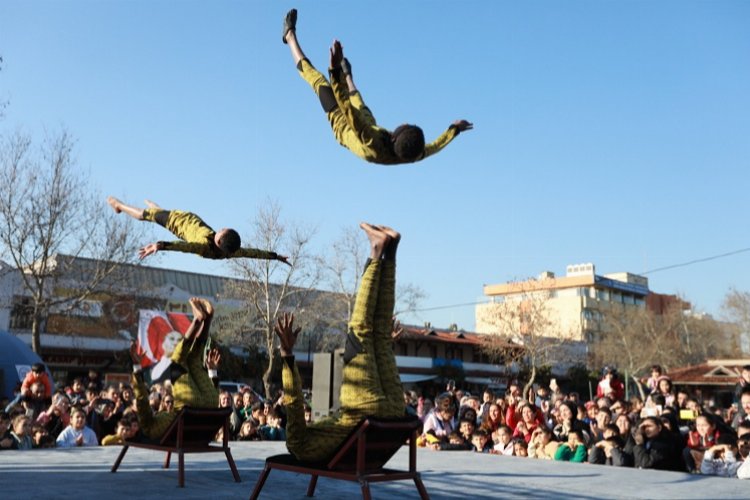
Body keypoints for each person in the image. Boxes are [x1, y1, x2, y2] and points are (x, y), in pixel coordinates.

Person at [274, 223, 407, 462]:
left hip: (396, 412)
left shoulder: (329, 443)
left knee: (380, 338)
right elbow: (294, 403)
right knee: (361, 330)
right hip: (363, 411)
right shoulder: (299, 446)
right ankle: (377, 250)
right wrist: (286, 354)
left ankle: (391, 251)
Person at [282, 9, 472, 166]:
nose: (404, 121)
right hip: (368, 123)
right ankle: (349, 76)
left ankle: (289, 36)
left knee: (319, 81)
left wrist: (334, 70)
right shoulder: (411, 153)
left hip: (345, 124)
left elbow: (347, 110)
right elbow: (433, 148)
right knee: (358, 100)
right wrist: (453, 130)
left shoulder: (372, 141)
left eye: (405, 125)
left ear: (394, 137)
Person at [130, 297, 219, 440]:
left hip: (211, 403)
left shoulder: (169, 427)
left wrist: (213, 372)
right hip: (190, 403)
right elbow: (141, 400)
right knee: (177, 360)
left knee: (193, 360)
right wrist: (137, 368)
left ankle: (207, 319)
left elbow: (142, 402)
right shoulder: (149, 427)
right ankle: (198, 320)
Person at [107, 197, 289, 263]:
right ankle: (156, 207)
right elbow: (252, 253)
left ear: (218, 241)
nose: (221, 227)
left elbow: (184, 247)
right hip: (188, 219)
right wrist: (275, 256)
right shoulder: (229, 252)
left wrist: (160, 245)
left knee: (142, 215)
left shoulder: (203, 246)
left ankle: (118, 205)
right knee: (156, 212)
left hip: (175, 221)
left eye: (222, 230)